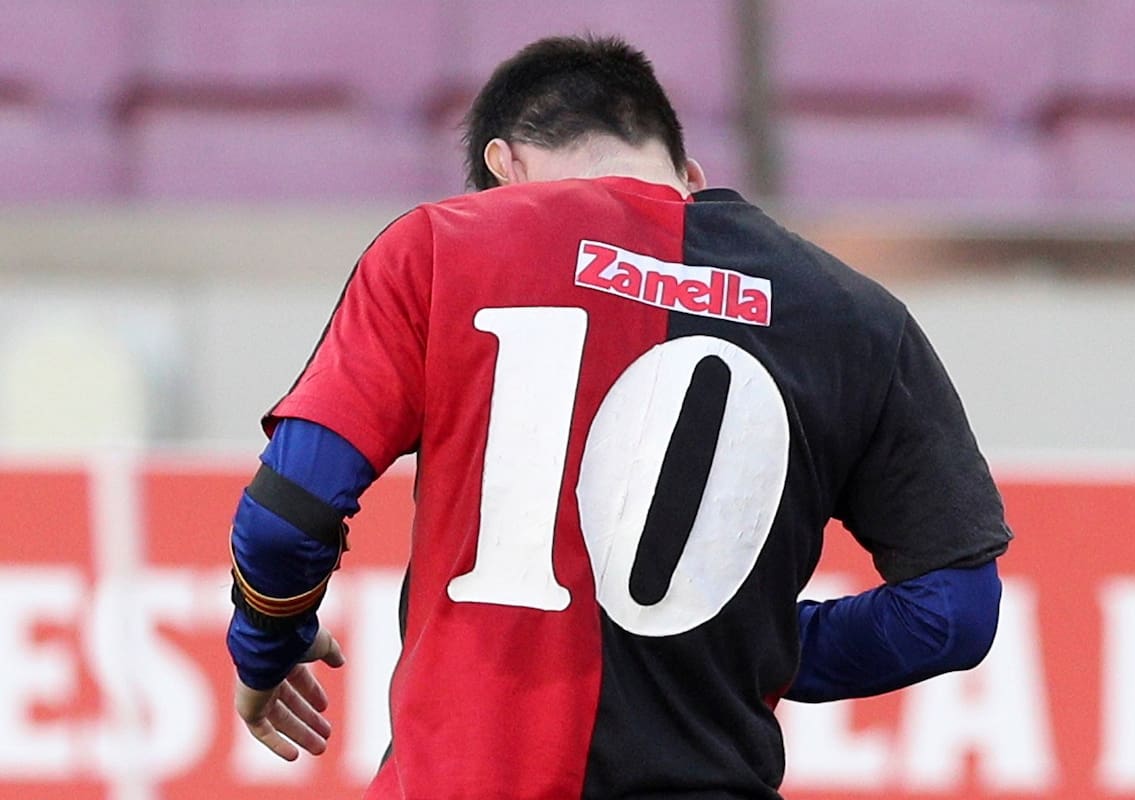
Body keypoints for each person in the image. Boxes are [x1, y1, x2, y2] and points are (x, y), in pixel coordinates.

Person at [226, 35, 1011, 799]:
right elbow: (954, 613)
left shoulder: (440, 248)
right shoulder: (858, 317)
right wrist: (763, 643)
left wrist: (270, 639)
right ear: (690, 176)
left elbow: (285, 519)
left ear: (504, 170)